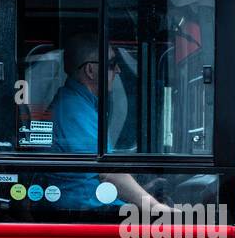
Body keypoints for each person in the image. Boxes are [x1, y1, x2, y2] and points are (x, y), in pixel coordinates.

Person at [49, 34, 167, 212]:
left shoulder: (80, 104)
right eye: (111, 64)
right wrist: (154, 206)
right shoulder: (73, 110)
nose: (118, 70)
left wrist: (144, 192)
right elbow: (108, 172)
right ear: (90, 70)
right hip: (84, 213)